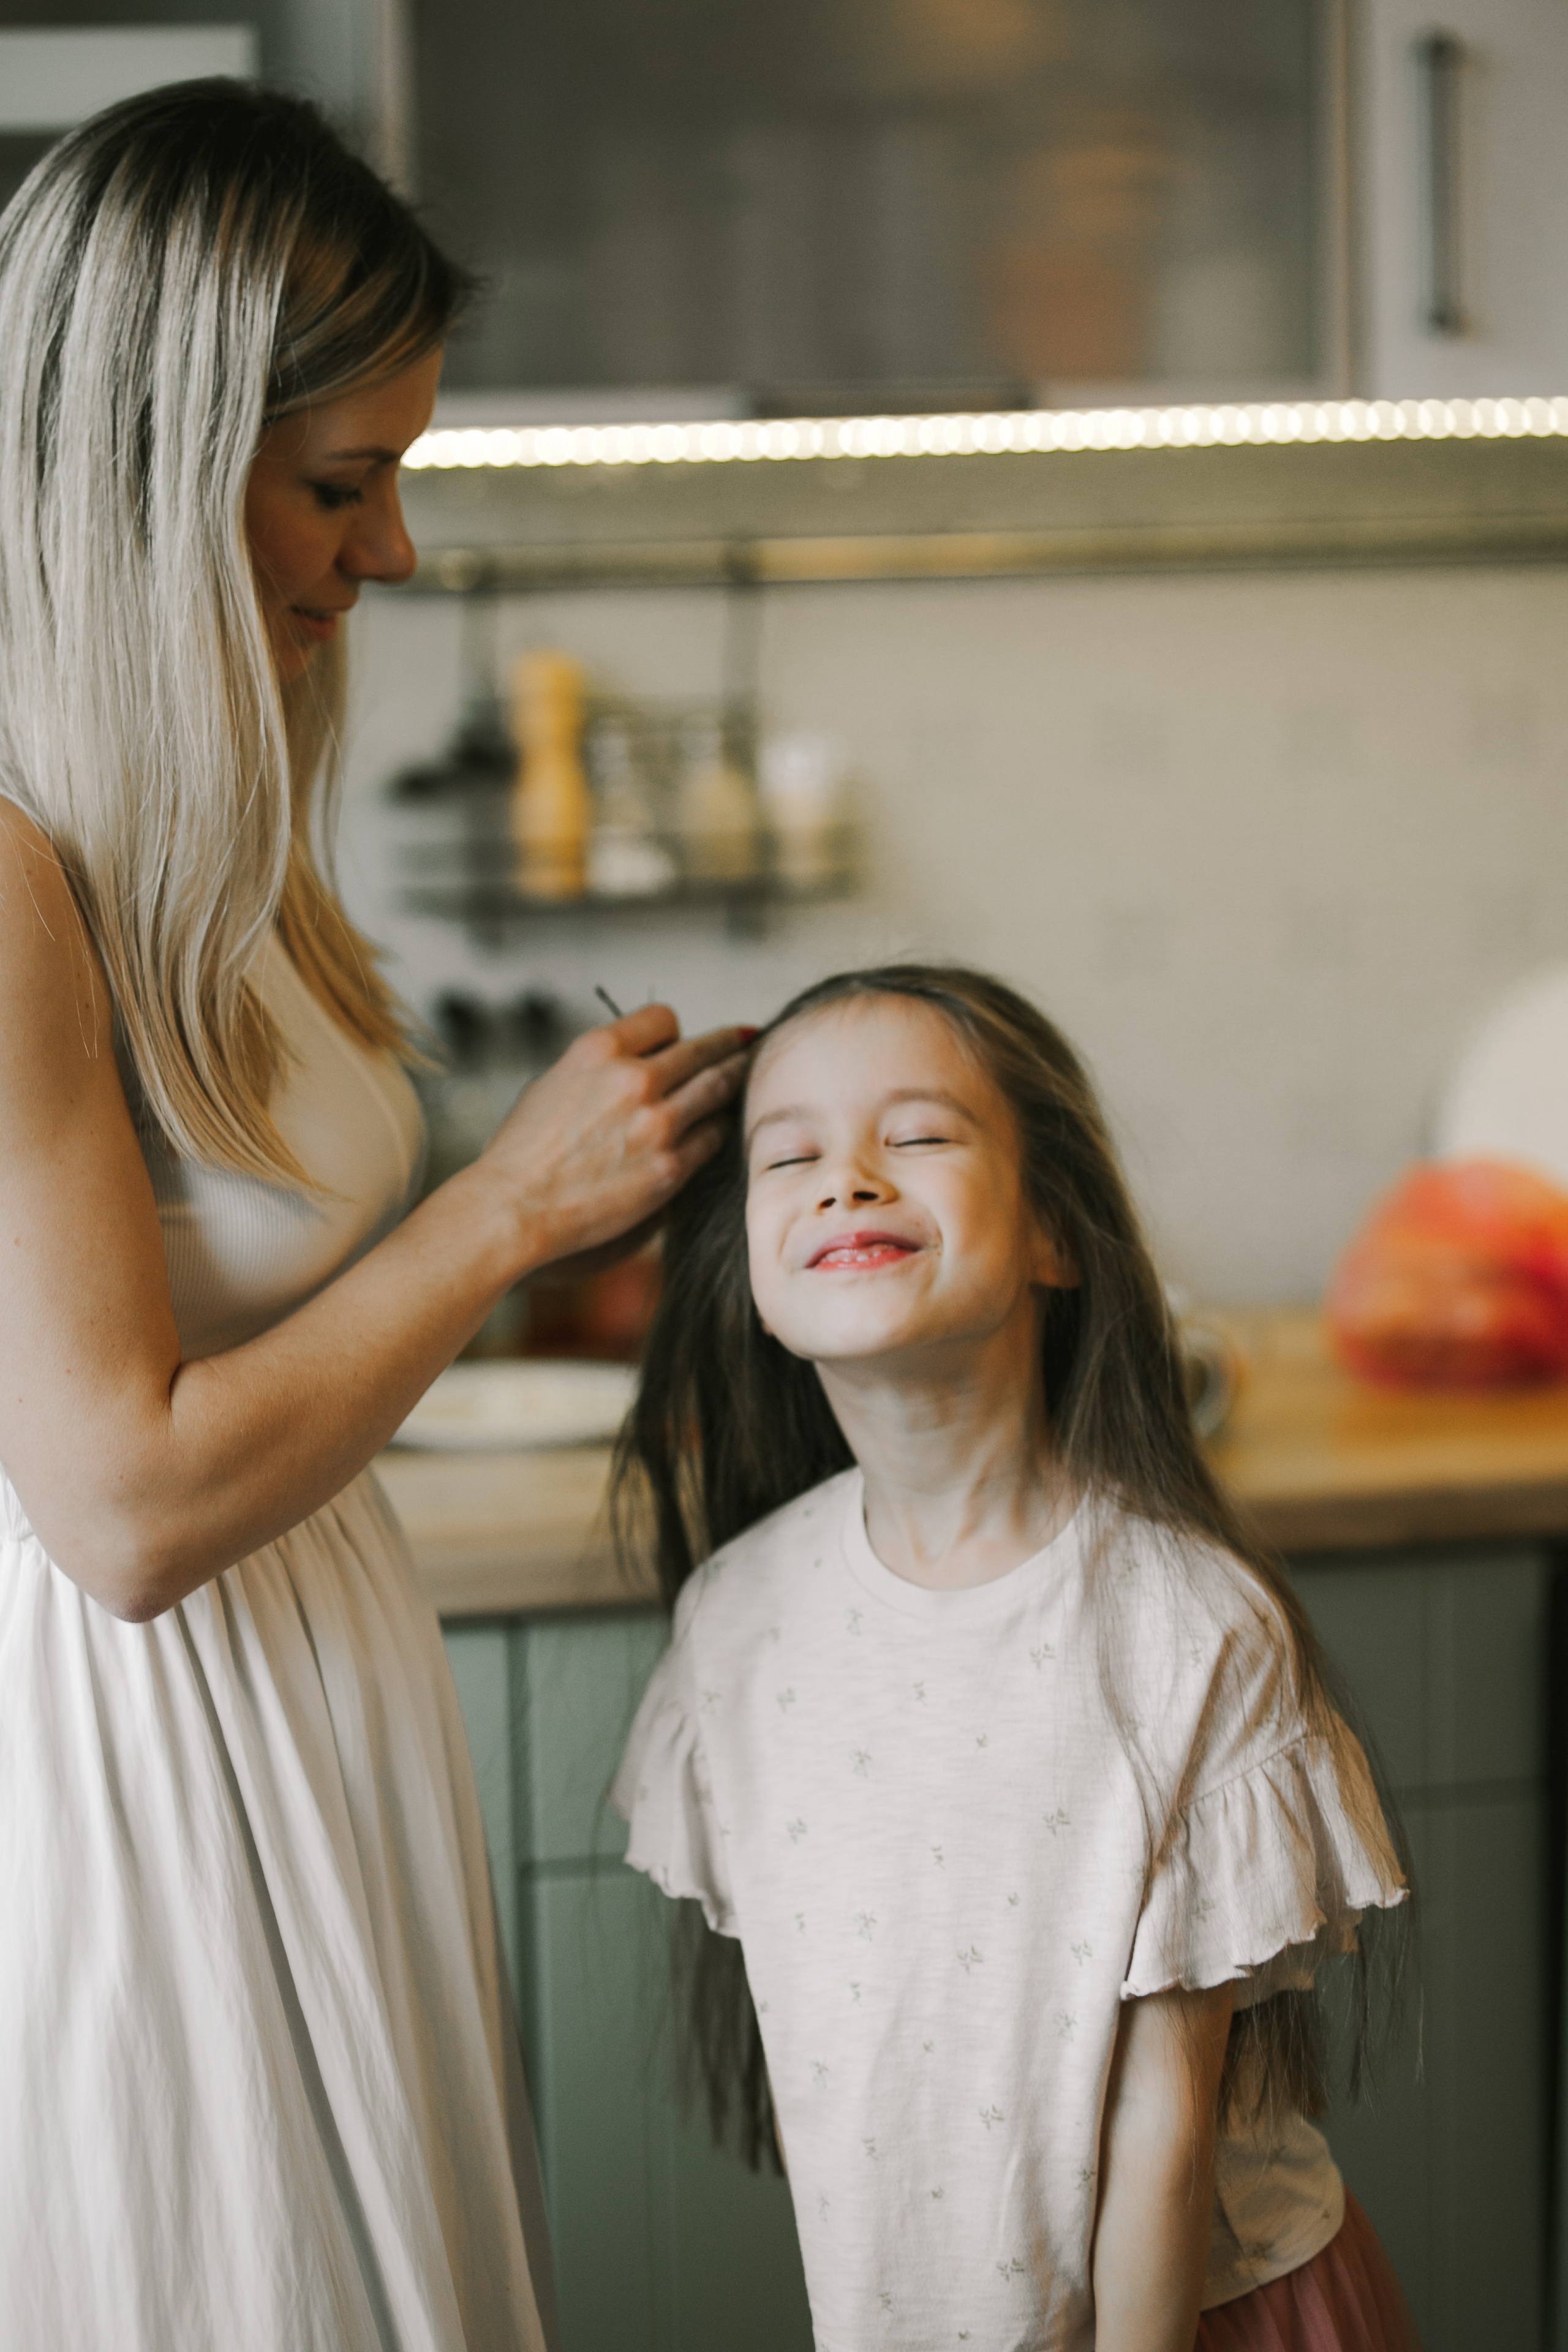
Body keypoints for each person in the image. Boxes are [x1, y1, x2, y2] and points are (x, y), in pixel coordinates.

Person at [0, 80, 747, 2352]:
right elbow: (120, 1509)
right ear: (148, 474)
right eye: (344, 484)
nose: (395, 552)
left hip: (309, 1668)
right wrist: (509, 1208)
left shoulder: (199, 809)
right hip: (127, 1754)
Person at [612, 964, 1420, 2352]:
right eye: (788, 1153)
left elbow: (1154, 2155)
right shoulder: (734, 1628)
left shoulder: (1186, 1631)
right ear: (746, 1270)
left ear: (1053, 1232)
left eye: (914, 1135)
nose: (846, 1179)